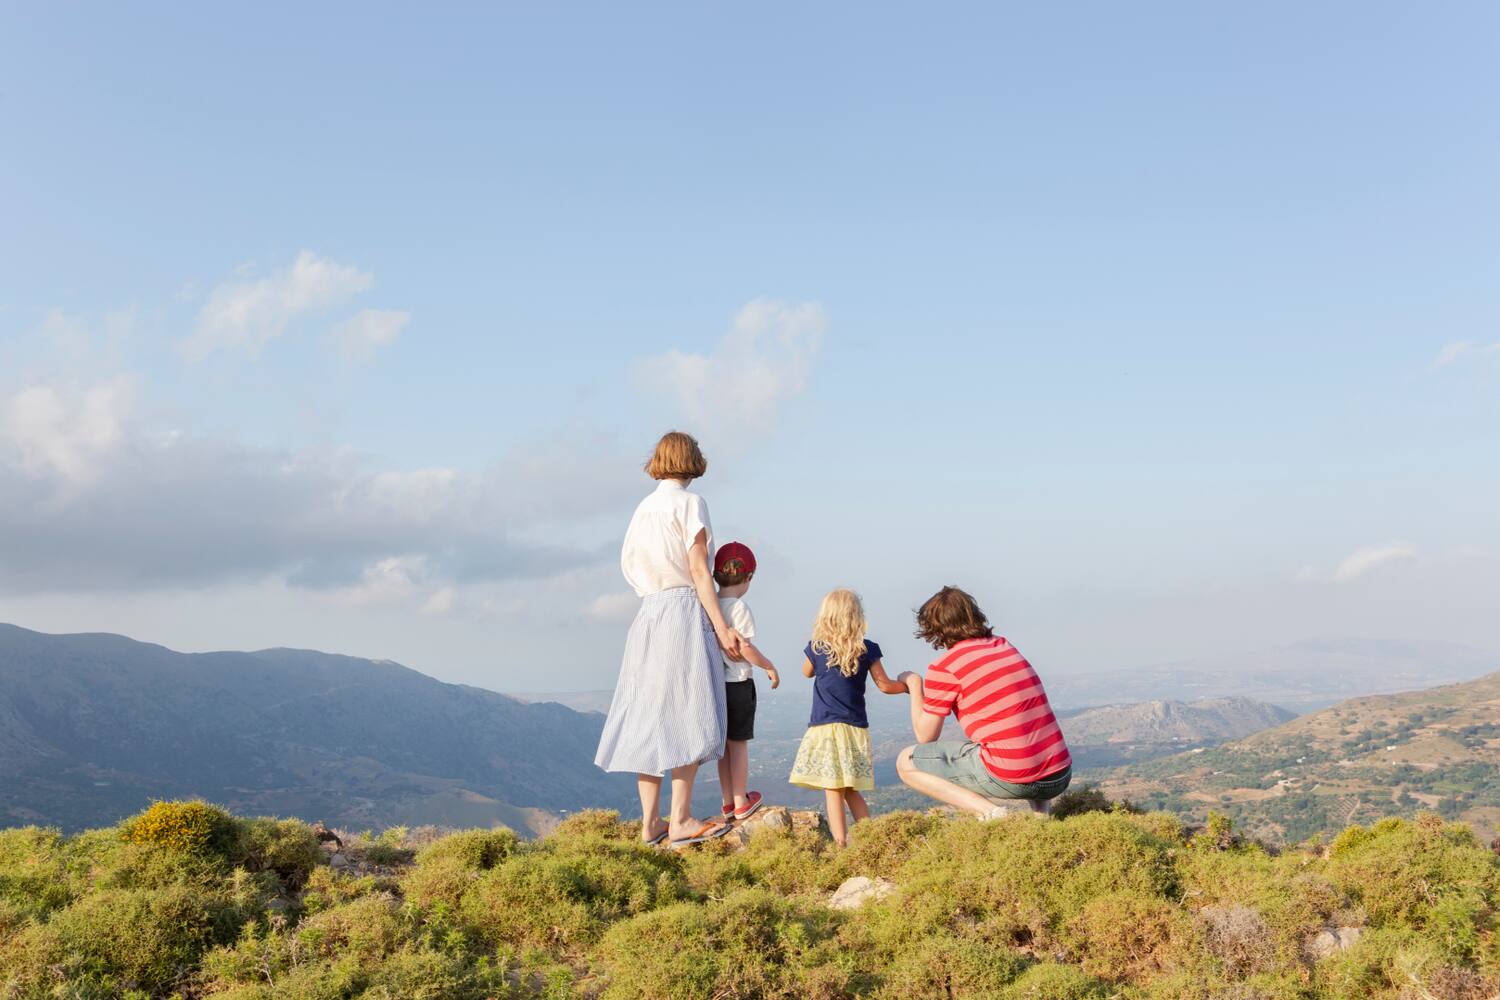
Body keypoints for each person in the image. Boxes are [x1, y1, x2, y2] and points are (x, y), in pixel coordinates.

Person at [594, 432, 745, 847]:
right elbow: (698, 570)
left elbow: (630, 566)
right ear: (693, 460)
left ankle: (650, 823)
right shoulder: (690, 503)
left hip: (649, 613)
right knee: (689, 711)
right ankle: (680, 819)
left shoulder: (643, 509)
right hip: (683, 609)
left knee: (649, 714)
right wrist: (721, 626)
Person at [894, 586, 1072, 818]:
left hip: (1014, 778)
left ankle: (991, 813)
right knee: (1022, 735)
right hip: (1060, 774)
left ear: (933, 627)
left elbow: (926, 736)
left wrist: (914, 684)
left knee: (906, 762)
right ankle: (1041, 817)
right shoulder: (1004, 645)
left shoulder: (945, 667)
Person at [788, 589, 908, 845]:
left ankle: (841, 843)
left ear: (826, 616)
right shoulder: (867, 649)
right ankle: (871, 839)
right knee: (850, 789)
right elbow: (886, 686)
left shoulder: (817, 649)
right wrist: (908, 685)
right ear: (856, 616)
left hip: (826, 728)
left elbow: (806, 672)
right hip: (855, 729)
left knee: (833, 789)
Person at [711, 541, 781, 822]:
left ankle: (728, 801)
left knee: (723, 748)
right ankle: (742, 800)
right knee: (739, 744)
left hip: (715, 685)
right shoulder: (739, 608)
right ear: (748, 577)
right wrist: (768, 665)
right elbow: (745, 648)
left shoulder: (710, 606)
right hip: (738, 684)